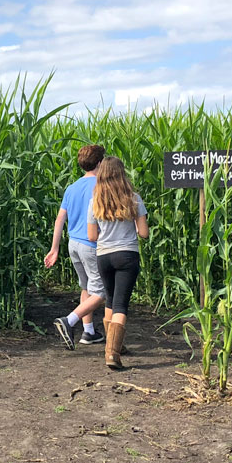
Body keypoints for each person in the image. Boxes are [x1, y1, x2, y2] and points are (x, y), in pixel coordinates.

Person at [86, 156, 149, 369]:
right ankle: (112, 353)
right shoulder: (134, 198)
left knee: (111, 300)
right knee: (121, 304)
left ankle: (115, 345)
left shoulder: (95, 201)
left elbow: (92, 236)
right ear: (122, 174)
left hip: (104, 256)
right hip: (127, 255)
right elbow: (144, 233)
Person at [44, 144, 106, 349]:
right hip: (92, 244)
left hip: (74, 244)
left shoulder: (72, 188)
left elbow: (60, 219)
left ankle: (89, 332)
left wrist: (55, 248)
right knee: (101, 292)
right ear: (99, 163)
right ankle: (69, 321)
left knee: (86, 287)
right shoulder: (102, 186)